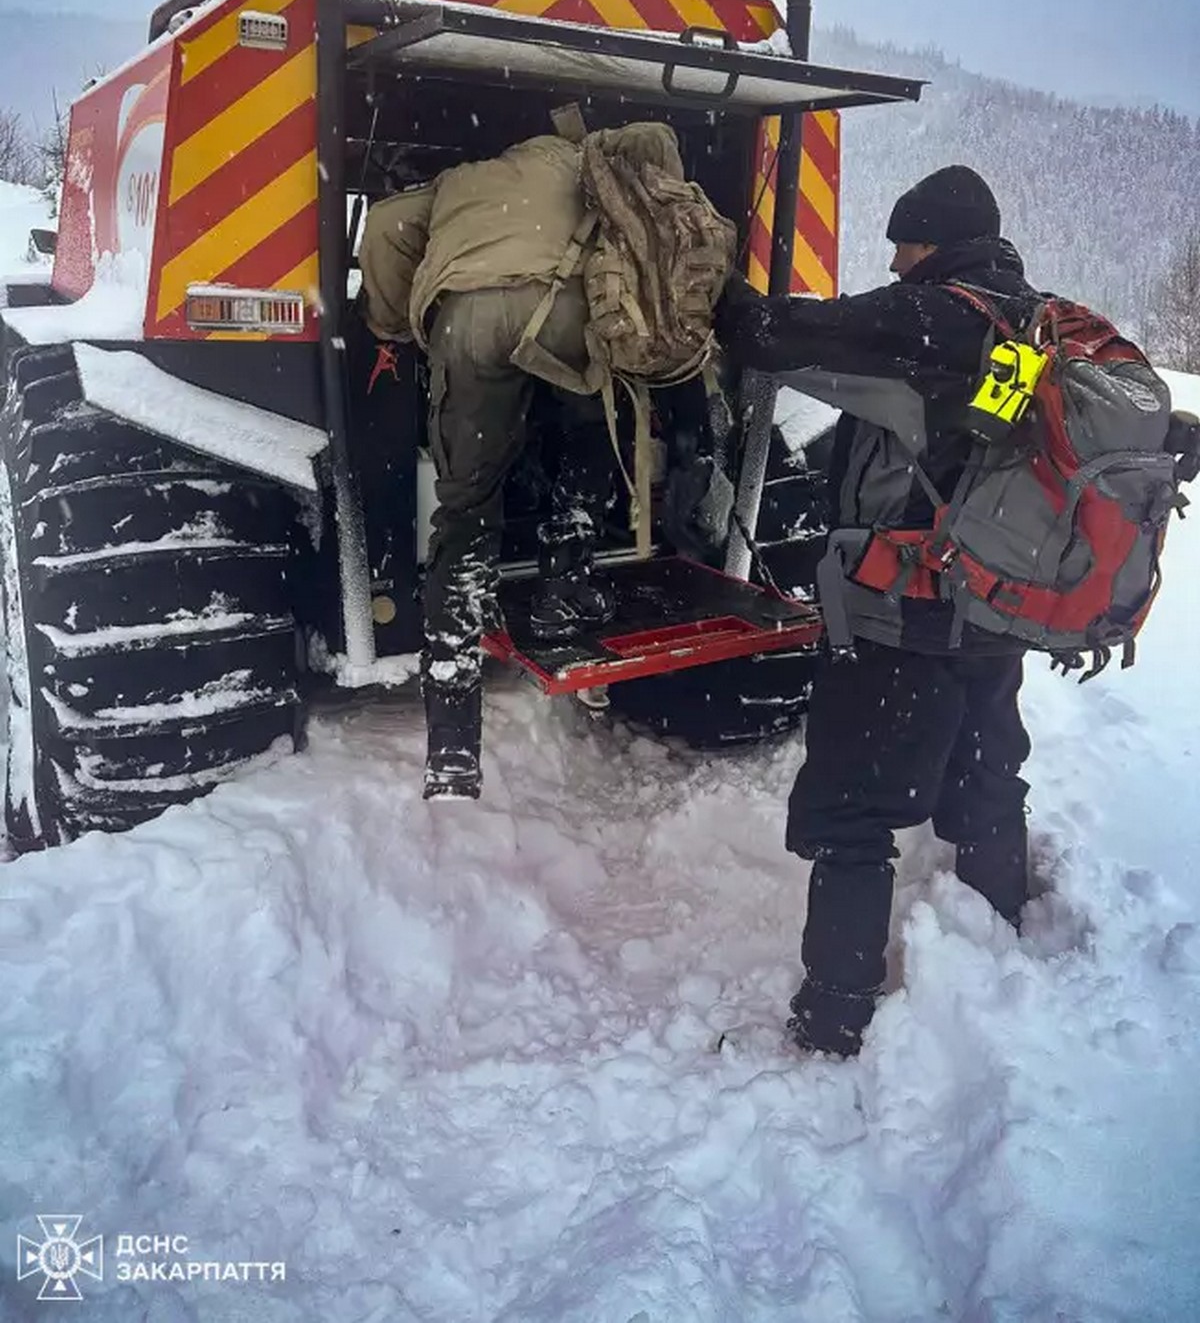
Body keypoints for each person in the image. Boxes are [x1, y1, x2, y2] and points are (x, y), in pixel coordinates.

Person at [716, 164, 1041, 1057]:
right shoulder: (1032, 321)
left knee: (853, 812)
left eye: (904, 243)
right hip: (995, 604)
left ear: (932, 242)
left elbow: (775, 333)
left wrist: (714, 273)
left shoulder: (923, 317)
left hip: (905, 613)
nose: (894, 261)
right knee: (983, 772)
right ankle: (1001, 944)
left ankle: (835, 1013)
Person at [359, 122, 684, 800]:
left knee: (466, 508)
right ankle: (562, 589)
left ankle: (452, 748)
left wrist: (390, 323)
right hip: (567, 310)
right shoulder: (592, 165)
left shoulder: (460, 181)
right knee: (589, 432)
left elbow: (386, 226)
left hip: (470, 318)